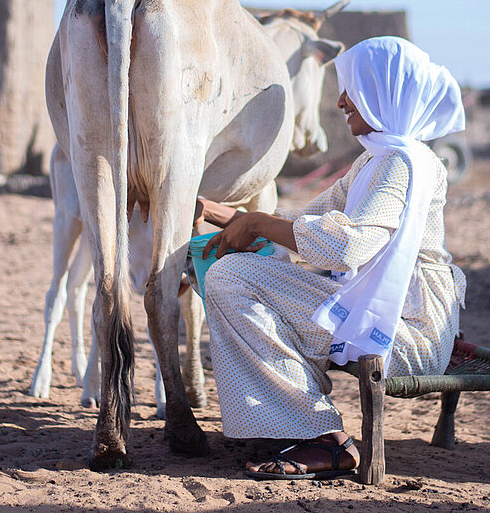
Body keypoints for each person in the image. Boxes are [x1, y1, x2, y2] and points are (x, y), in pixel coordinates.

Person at [195, 36, 466, 480]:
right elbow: (306, 221)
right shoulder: (375, 162)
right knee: (237, 275)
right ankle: (298, 419)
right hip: (378, 315)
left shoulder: (404, 164)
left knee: (235, 277)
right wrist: (218, 213)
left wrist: (259, 225)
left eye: (353, 90)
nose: (341, 101)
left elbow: (345, 246)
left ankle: (324, 438)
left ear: (385, 93)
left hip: (409, 333)